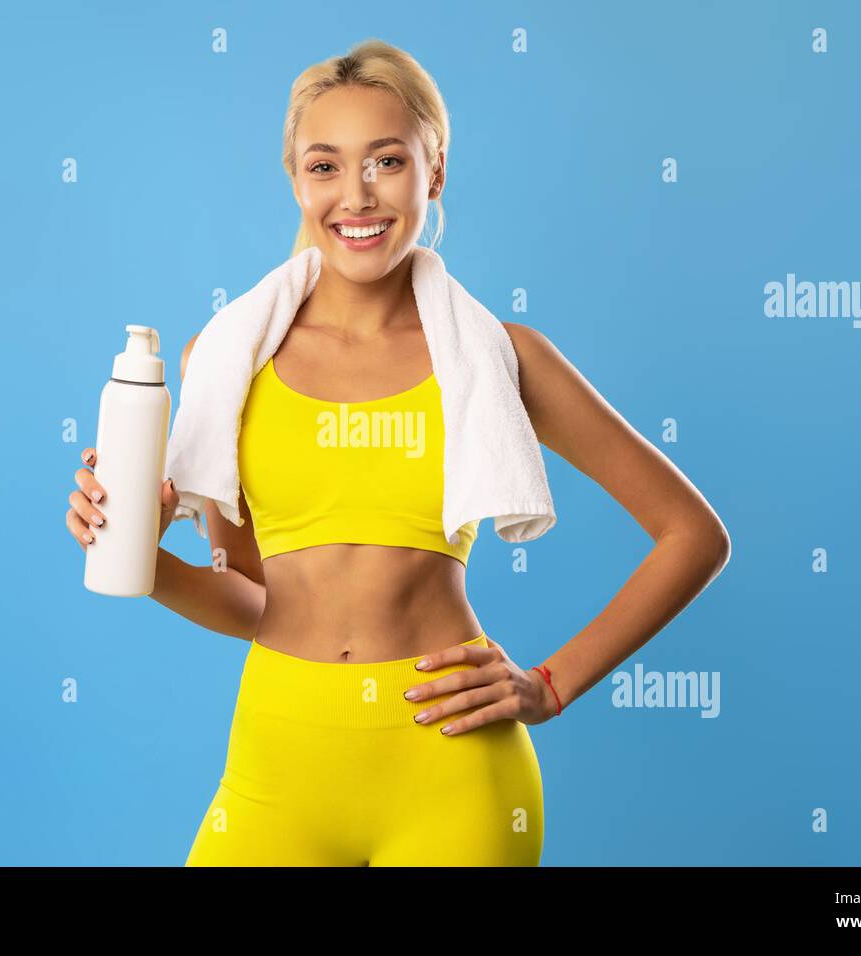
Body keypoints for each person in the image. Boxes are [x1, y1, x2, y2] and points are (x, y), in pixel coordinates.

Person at [65, 39, 731, 866]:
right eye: (324, 166)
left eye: (386, 161)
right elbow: (255, 601)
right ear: (296, 179)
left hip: (451, 774)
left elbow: (693, 534)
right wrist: (132, 551)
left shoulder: (498, 357)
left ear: (434, 173)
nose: (356, 195)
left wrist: (550, 685)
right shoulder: (227, 358)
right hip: (278, 768)